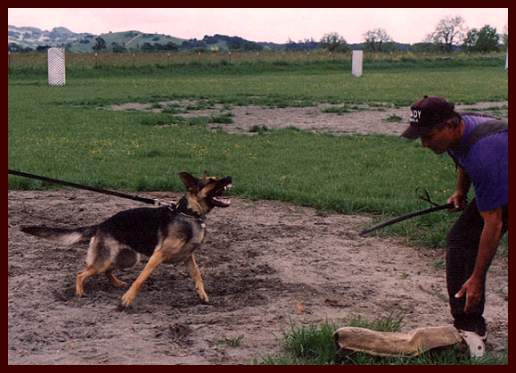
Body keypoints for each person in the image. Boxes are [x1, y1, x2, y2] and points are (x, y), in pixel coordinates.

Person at [401, 96, 508, 352]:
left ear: (450, 125)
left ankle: (471, 330)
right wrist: (460, 190)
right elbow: (463, 158)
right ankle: (469, 327)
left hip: (503, 175)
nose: (425, 144)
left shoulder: (485, 153)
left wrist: (477, 278)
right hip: (503, 174)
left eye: (428, 136)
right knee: (461, 240)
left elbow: (492, 225)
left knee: (467, 240)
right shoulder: (458, 136)